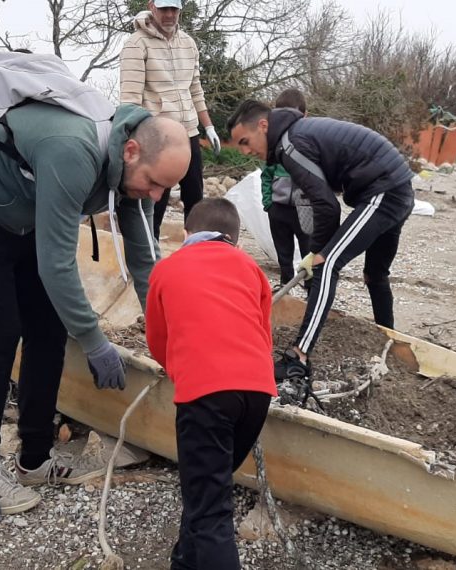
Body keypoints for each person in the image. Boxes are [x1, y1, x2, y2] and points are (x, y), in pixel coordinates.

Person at [0, 63, 191, 514]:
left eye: (167, 188)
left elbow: (144, 261)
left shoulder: (132, 171)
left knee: (48, 329)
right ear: (132, 151)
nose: (157, 196)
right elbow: (56, 263)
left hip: (14, 211)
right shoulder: (73, 150)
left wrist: (170, 339)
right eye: (156, 184)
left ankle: (34, 459)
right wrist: (95, 341)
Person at [226, 100, 414, 382]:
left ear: (263, 126)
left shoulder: (291, 145)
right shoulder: (295, 134)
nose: (245, 151)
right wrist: (320, 250)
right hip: (397, 186)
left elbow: (327, 205)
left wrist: (318, 252)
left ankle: (298, 357)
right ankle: (388, 342)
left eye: (245, 141)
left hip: (383, 190)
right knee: (374, 274)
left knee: (326, 266)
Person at [144, 197, 277, 570]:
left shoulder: (167, 269)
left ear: (187, 233)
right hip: (257, 392)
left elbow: (158, 340)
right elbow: (263, 334)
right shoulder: (251, 269)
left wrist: (178, 369)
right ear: (234, 239)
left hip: (206, 395)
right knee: (206, 492)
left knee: (210, 510)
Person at [121, 0, 219, 239]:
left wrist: (209, 126)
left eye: (173, 9)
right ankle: (149, 253)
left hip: (189, 133)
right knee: (156, 201)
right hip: (158, 137)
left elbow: (195, 89)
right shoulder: (136, 44)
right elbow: (130, 99)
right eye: (164, 8)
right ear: (152, 6)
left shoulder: (188, 43)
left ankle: (195, 250)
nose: (169, 14)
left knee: (195, 198)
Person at [262, 88, 311, 288]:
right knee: (283, 252)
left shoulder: (311, 140)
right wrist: (268, 203)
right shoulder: (274, 143)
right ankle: (285, 286)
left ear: (305, 115)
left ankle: (311, 290)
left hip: (305, 209)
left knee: (309, 252)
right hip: (279, 208)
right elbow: (266, 175)